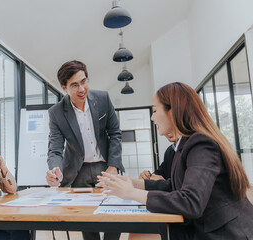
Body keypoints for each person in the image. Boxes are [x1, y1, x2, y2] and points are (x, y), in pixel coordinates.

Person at [99, 82, 253, 240]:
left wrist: (132, 193)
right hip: (202, 223)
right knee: (139, 233)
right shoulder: (183, 146)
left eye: (154, 110)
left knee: (141, 234)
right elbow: (174, 185)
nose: (152, 117)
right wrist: (131, 182)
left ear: (172, 111)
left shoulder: (200, 144)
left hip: (222, 232)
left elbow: (191, 202)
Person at [46, 60, 124, 240]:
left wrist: (113, 165)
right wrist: (54, 169)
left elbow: (115, 133)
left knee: (113, 215)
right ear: (63, 87)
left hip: (106, 167)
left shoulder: (103, 99)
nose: (82, 89)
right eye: (74, 85)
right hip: (77, 171)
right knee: (87, 221)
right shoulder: (56, 113)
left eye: (84, 81)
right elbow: (55, 148)